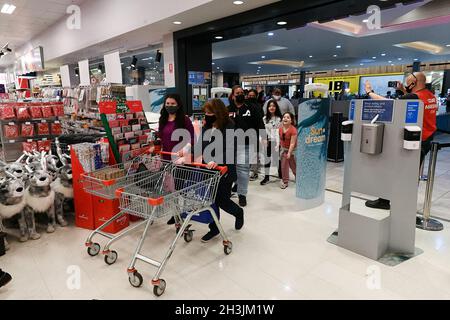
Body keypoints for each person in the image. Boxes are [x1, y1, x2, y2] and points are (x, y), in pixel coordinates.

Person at [364, 71, 438, 210]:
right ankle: (402, 202)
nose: (406, 85)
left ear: (413, 83)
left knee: (396, 170)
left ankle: (387, 201)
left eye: (408, 83)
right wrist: (403, 90)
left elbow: (389, 103)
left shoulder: (414, 96)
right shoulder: (431, 96)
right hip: (426, 138)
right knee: (411, 172)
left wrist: (369, 92)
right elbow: (411, 100)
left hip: (414, 140)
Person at [200, 99, 244, 242]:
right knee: (210, 200)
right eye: (206, 112)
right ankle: (214, 228)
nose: (207, 115)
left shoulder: (230, 126)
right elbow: (201, 145)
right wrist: (187, 152)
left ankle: (238, 212)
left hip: (225, 169)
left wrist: (217, 160)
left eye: (210, 112)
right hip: (208, 169)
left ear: (218, 113)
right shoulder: (206, 126)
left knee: (222, 200)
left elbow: (231, 149)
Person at [159, 93, 195, 223]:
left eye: (172, 104)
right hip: (167, 158)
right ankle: (175, 214)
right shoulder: (162, 118)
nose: (169, 106)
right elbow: (161, 137)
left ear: (178, 105)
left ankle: (183, 213)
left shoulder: (184, 120)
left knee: (180, 188)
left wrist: (184, 149)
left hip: (181, 159)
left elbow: (192, 137)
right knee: (170, 188)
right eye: (167, 104)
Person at [229, 86, 265, 207]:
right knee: (230, 169)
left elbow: (260, 123)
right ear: (232, 95)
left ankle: (242, 194)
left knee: (243, 170)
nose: (239, 94)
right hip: (229, 145)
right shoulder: (228, 109)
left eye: (241, 93)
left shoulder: (252, 108)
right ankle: (237, 184)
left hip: (246, 143)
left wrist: (264, 137)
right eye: (237, 93)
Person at [261, 100, 282, 185]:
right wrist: (264, 139)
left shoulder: (279, 118)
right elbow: (263, 130)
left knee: (278, 160)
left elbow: (279, 131)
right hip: (267, 142)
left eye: (273, 106)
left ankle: (281, 177)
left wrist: (278, 142)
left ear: (276, 107)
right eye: (270, 106)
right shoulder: (264, 119)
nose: (272, 107)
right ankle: (266, 178)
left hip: (277, 142)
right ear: (267, 108)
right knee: (267, 160)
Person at [279, 112, 297, 189]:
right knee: (283, 166)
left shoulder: (293, 130)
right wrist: (278, 146)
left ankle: (298, 177)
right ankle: (285, 181)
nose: (285, 118)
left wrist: (289, 152)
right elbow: (281, 139)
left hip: (292, 150)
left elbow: (292, 143)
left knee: (293, 166)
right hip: (284, 149)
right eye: (284, 117)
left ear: (291, 120)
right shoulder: (280, 128)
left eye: (288, 117)